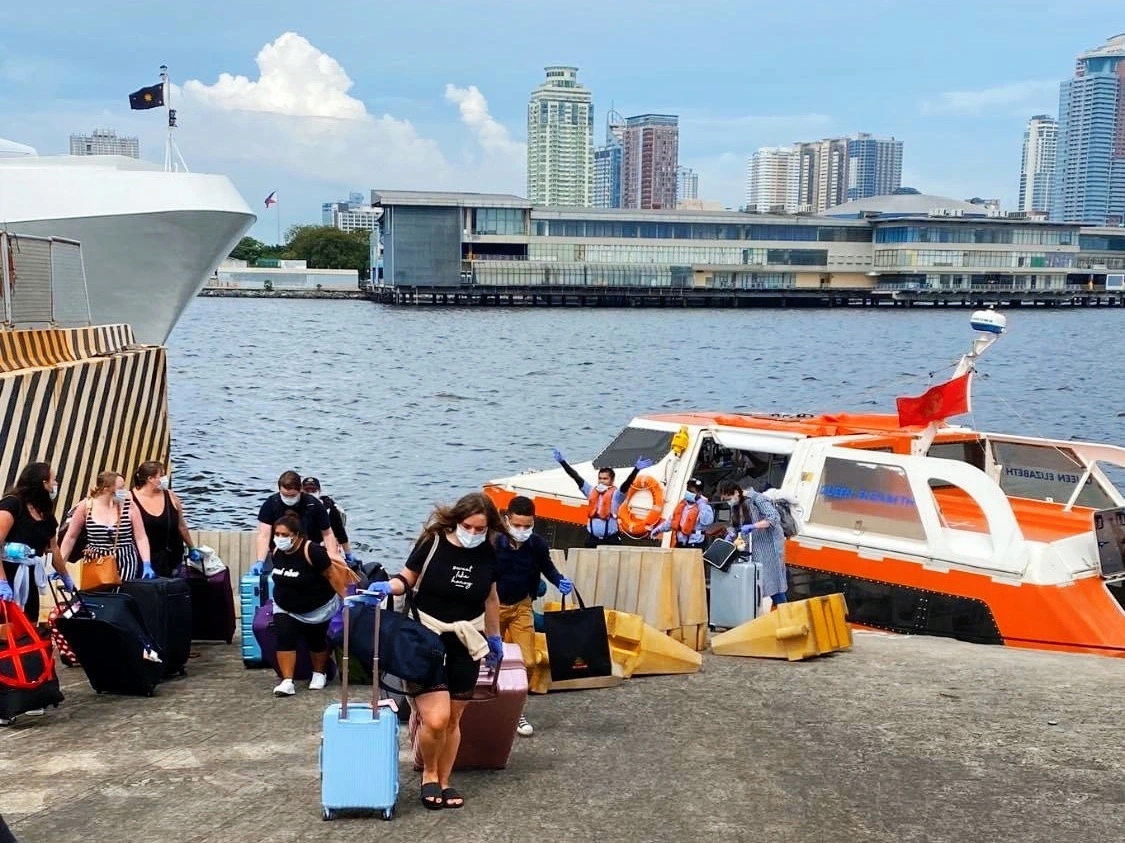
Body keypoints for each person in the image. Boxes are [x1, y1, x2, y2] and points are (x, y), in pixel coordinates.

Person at [358, 492, 503, 811]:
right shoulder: (433, 542)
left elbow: (491, 598)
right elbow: (406, 579)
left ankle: (445, 779)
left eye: (481, 529)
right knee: (435, 719)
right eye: (468, 527)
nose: (473, 534)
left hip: (466, 640)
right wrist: (386, 587)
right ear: (457, 521)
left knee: (453, 719)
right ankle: (429, 773)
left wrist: (495, 639)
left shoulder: (490, 553)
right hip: (426, 637)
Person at [493, 495, 573, 737]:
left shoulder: (537, 544)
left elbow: (547, 567)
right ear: (507, 520)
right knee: (489, 660)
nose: (522, 530)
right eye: (517, 525)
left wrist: (559, 581)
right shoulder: (494, 542)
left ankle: (516, 711)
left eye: (527, 526)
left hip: (522, 606)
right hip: (493, 607)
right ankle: (489, 706)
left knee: (528, 662)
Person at [262, 514, 338, 696]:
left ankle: (319, 673)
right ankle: (287, 681)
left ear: (296, 535)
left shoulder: (313, 552)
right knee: (284, 636)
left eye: (284, 535)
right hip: (285, 606)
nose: (279, 538)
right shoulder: (277, 552)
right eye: (277, 534)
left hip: (317, 607)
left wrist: (347, 599)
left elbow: (332, 576)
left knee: (316, 640)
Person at [0, 463, 72, 621]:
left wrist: (65, 576)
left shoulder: (46, 515)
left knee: (30, 624)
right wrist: (2, 581)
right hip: (6, 573)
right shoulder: (12, 504)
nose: (56, 484)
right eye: (53, 480)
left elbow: (54, 549)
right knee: (5, 627)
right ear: (44, 483)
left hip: (29, 578)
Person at [59, 471, 154, 582]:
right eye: (120, 488)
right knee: (97, 591)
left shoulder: (129, 506)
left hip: (125, 559)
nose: (125, 492)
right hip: (95, 560)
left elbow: (141, 537)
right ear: (105, 489)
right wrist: (61, 565)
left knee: (122, 591)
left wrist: (146, 562)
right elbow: (71, 536)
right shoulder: (86, 506)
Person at [552, 449, 653, 546]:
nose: (601, 481)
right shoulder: (590, 491)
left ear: (611, 480)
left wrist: (636, 470)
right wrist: (563, 462)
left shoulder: (616, 495)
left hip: (610, 539)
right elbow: (576, 477)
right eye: (600, 478)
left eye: (605, 479)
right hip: (592, 538)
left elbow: (626, 484)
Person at [717, 480, 788, 606]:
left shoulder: (757, 499)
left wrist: (754, 526)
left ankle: (785, 610)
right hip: (752, 548)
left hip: (769, 547)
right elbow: (735, 524)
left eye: (728, 498)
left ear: (736, 492)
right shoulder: (736, 504)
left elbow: (773, 518)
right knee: (754, 582)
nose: (729, 502)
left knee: (772, 582)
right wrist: (731, 534)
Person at [254, 471, 337, 570]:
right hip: (279, 550)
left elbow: (327, 534)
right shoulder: (271, 504)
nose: (288, 498)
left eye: (292, 495)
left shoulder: (314, 505)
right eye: (285, 495)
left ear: (300, 489)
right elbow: (264, 535)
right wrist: (260, 561)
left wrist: (333, 559)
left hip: (308, 552)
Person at [131, 461, 201, 577]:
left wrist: (191, 547)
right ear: (150, 479)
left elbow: (181, 525)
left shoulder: (170, 495)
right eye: (162, 475)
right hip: (143, 558)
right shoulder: (131, 498)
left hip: (172, 556)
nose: (165, 479)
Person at [651, 478, 714, 548]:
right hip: (680, 543)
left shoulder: (705, 507)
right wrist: (659, 529)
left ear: (699, 493)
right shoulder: (683, 505)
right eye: (687, 490)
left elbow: (707, 521)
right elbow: (671, 521)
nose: (688, 493)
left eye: (691, 491)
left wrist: (701, 504)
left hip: (694, 545)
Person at [301, 476, 352, 561]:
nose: (310, 493)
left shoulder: (330, 509)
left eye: (313, 491)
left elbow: (341, 534)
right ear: (302, 491)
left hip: (325, 546)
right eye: (307, 491)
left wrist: (348, 554)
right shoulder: (298, 508)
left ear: (319, 491)